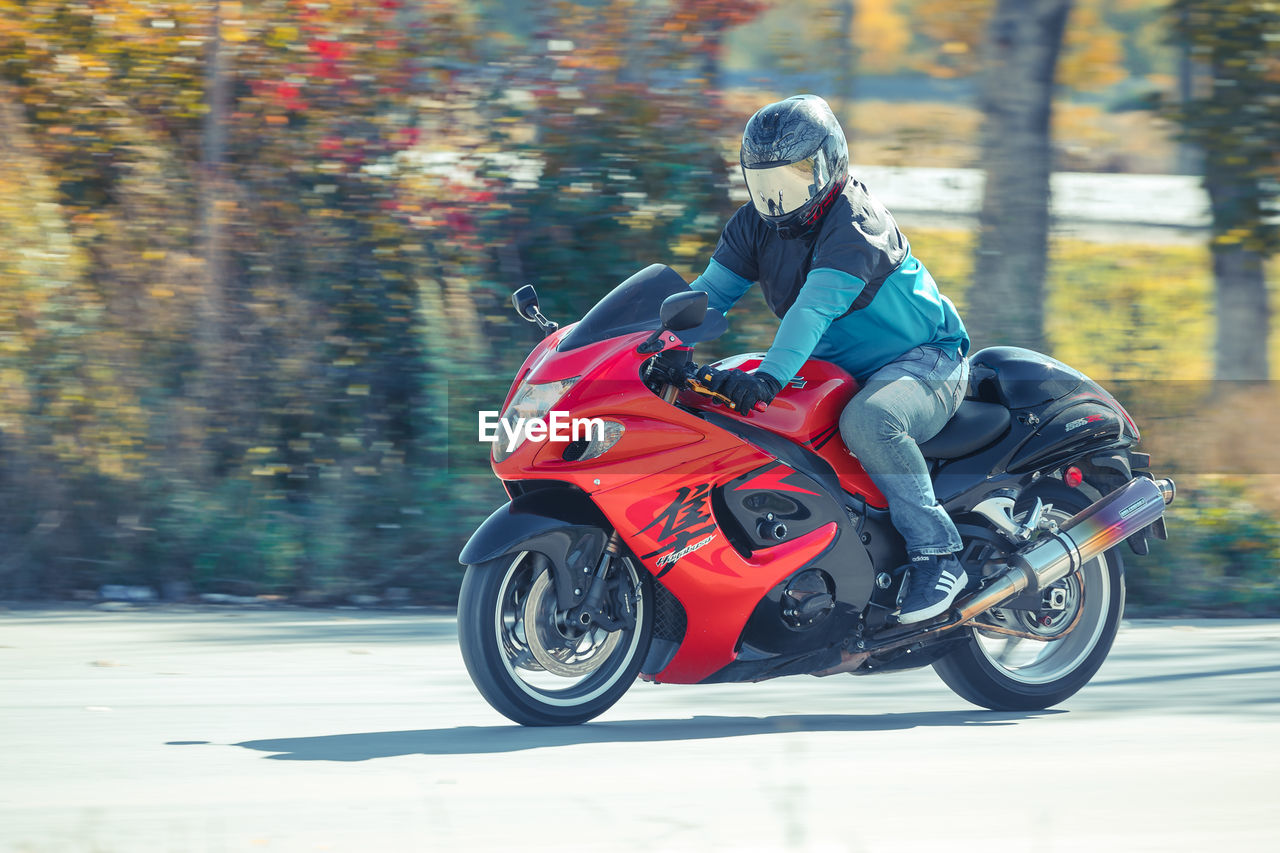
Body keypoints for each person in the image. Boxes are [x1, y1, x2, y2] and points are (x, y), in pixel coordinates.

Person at [691, 94, 971, 624]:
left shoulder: (855, 221)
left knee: (871, 419)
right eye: (765, 182)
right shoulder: (755, 225)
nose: (777, 199)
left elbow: (814, 307)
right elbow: (707, 297)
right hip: (839, 371)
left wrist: (772, 375)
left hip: (927, 360)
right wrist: (643, 343)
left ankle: (939, 553)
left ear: (829, 164)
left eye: (793, 180)